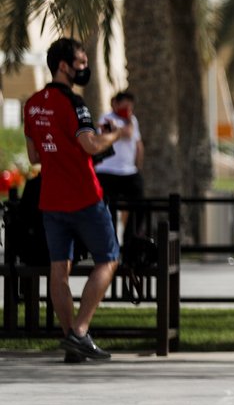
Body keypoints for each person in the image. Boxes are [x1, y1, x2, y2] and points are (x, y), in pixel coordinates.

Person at [24, 38, 133, 363]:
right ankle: (81, 331)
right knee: (109, 259)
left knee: (59, 269)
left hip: (51, 199)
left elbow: (33, 155)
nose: (84, 68)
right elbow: (90, 146)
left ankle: (70, 338)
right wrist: (115, 134)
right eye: (81, 63)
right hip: (85, 197)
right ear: (64, 66)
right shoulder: (75, 104)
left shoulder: (31, 104)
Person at [94, 90, 145, 236]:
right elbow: (122, 133)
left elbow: (137, 142)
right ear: (116, 104)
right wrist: (122, 127)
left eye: (130, 106)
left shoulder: (132, 120)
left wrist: (138, 166)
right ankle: (111, 244)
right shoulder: (106, 118)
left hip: (128, 172)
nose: (128, 110)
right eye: (125, 106)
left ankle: (131, 240)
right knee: (109, 209)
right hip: (108, 171)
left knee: (138, 205)